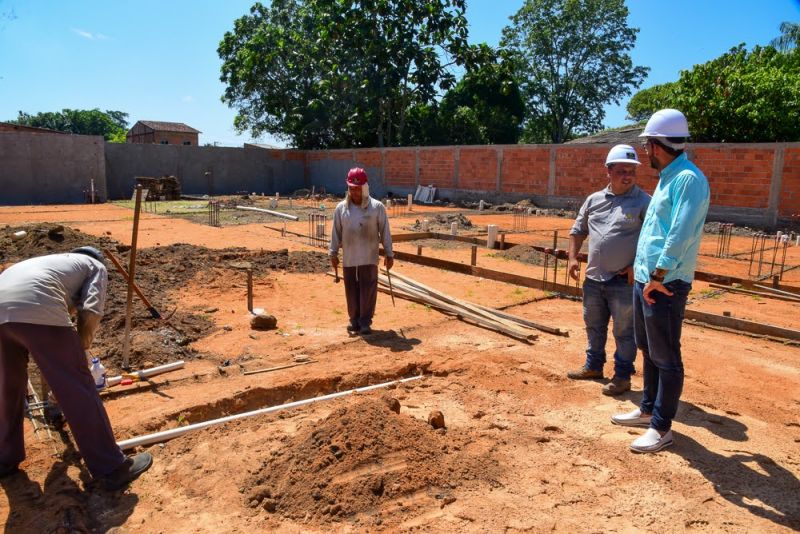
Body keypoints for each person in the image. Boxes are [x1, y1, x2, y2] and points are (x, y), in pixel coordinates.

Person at [0, 246, 152, 489]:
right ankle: (111, 467)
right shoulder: (95, 266)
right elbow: (91, 310)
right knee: (77, 388)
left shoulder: (51, 262)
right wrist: (79, 347)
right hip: (37, 306)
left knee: (8, 387)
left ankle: (4, 459)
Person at [611, 109, 710, 453]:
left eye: (647, 146)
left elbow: (680, 233)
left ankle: (662, 427)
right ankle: (647, 409)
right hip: (646, 280)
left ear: (655, 145)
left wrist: (658, 275)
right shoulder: (669, 177)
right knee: (649, 350)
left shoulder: (688, 179)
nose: (646, 153)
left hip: (663, 283)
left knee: (667, 357)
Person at [567, 144, 651, 396]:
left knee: (624, 332)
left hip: (622, 281)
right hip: (593, 279)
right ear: (608, 171)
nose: (628, 175)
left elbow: (653, 239)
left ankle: (623, 376)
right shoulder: (594, 200)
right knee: (594, 325)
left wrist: (637, 266)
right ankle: (593, 367)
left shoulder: (644, 202)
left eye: (632, 171)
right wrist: (572, 258)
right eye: (622, 170)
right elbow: (577, 230)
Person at [329, 168, 394, 335]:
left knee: (368, 289)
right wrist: (333, 252)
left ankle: (365, 321)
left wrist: (389, 253)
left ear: (365, 188)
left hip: (369, 256)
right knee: (351, 289)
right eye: (351, 188)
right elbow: (336, 231)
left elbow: (385, 231)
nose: (354, 192)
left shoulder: (376, 207)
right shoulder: (341, 209)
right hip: (349, 257)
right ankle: (354, 320)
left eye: (357, 189)